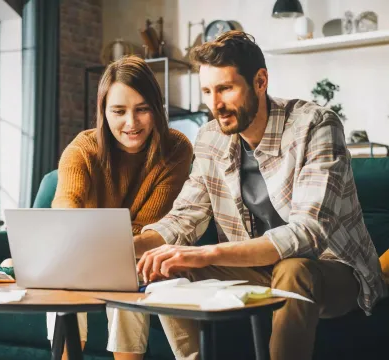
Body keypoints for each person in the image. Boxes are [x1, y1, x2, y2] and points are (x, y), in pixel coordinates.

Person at [134, 31, 388, 360]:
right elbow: (186, 215)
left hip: (332, 269)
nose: (215, 105)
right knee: (167, 269)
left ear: (260, 81)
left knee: (295, 269)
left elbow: (308, 233)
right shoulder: (210, 138)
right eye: (208, 91)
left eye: (225, 88)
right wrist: (130, 247)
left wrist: (207, 254)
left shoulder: (316, 125)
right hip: (257, 268)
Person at [47, 55, 193, 360]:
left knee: (129, 276)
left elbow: (150, 226)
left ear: (157, 108)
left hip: (137, 252)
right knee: (63, 281)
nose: (131, 123)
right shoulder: (83, 148)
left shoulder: (176, 148)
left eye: (142, 109)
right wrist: (74, 236)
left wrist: (105, 245)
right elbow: (65, 205)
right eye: (119, 111)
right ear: (103, 111)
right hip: (82, 254)